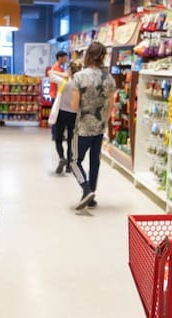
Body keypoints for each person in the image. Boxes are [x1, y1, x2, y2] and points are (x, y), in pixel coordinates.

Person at [70, 41, 116, 210]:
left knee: (74, 161)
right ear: (103, 57)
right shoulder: (109, 78)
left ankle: (86, 188)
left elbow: (74, 106)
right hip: (100, 126)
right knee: (94, 161)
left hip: (82, 127)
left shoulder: (79, 77)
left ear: (88, 55)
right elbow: (111, 106)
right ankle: (91, 197)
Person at [48, 61, 82, 174]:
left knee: (58, 139)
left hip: (61, 114)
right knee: (71, 141)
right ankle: (69, 165)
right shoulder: (79, 84)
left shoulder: (63, 82)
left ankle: (62, 157)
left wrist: (64, 75)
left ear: (69, 71)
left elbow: (50, 73)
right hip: (74, 114)